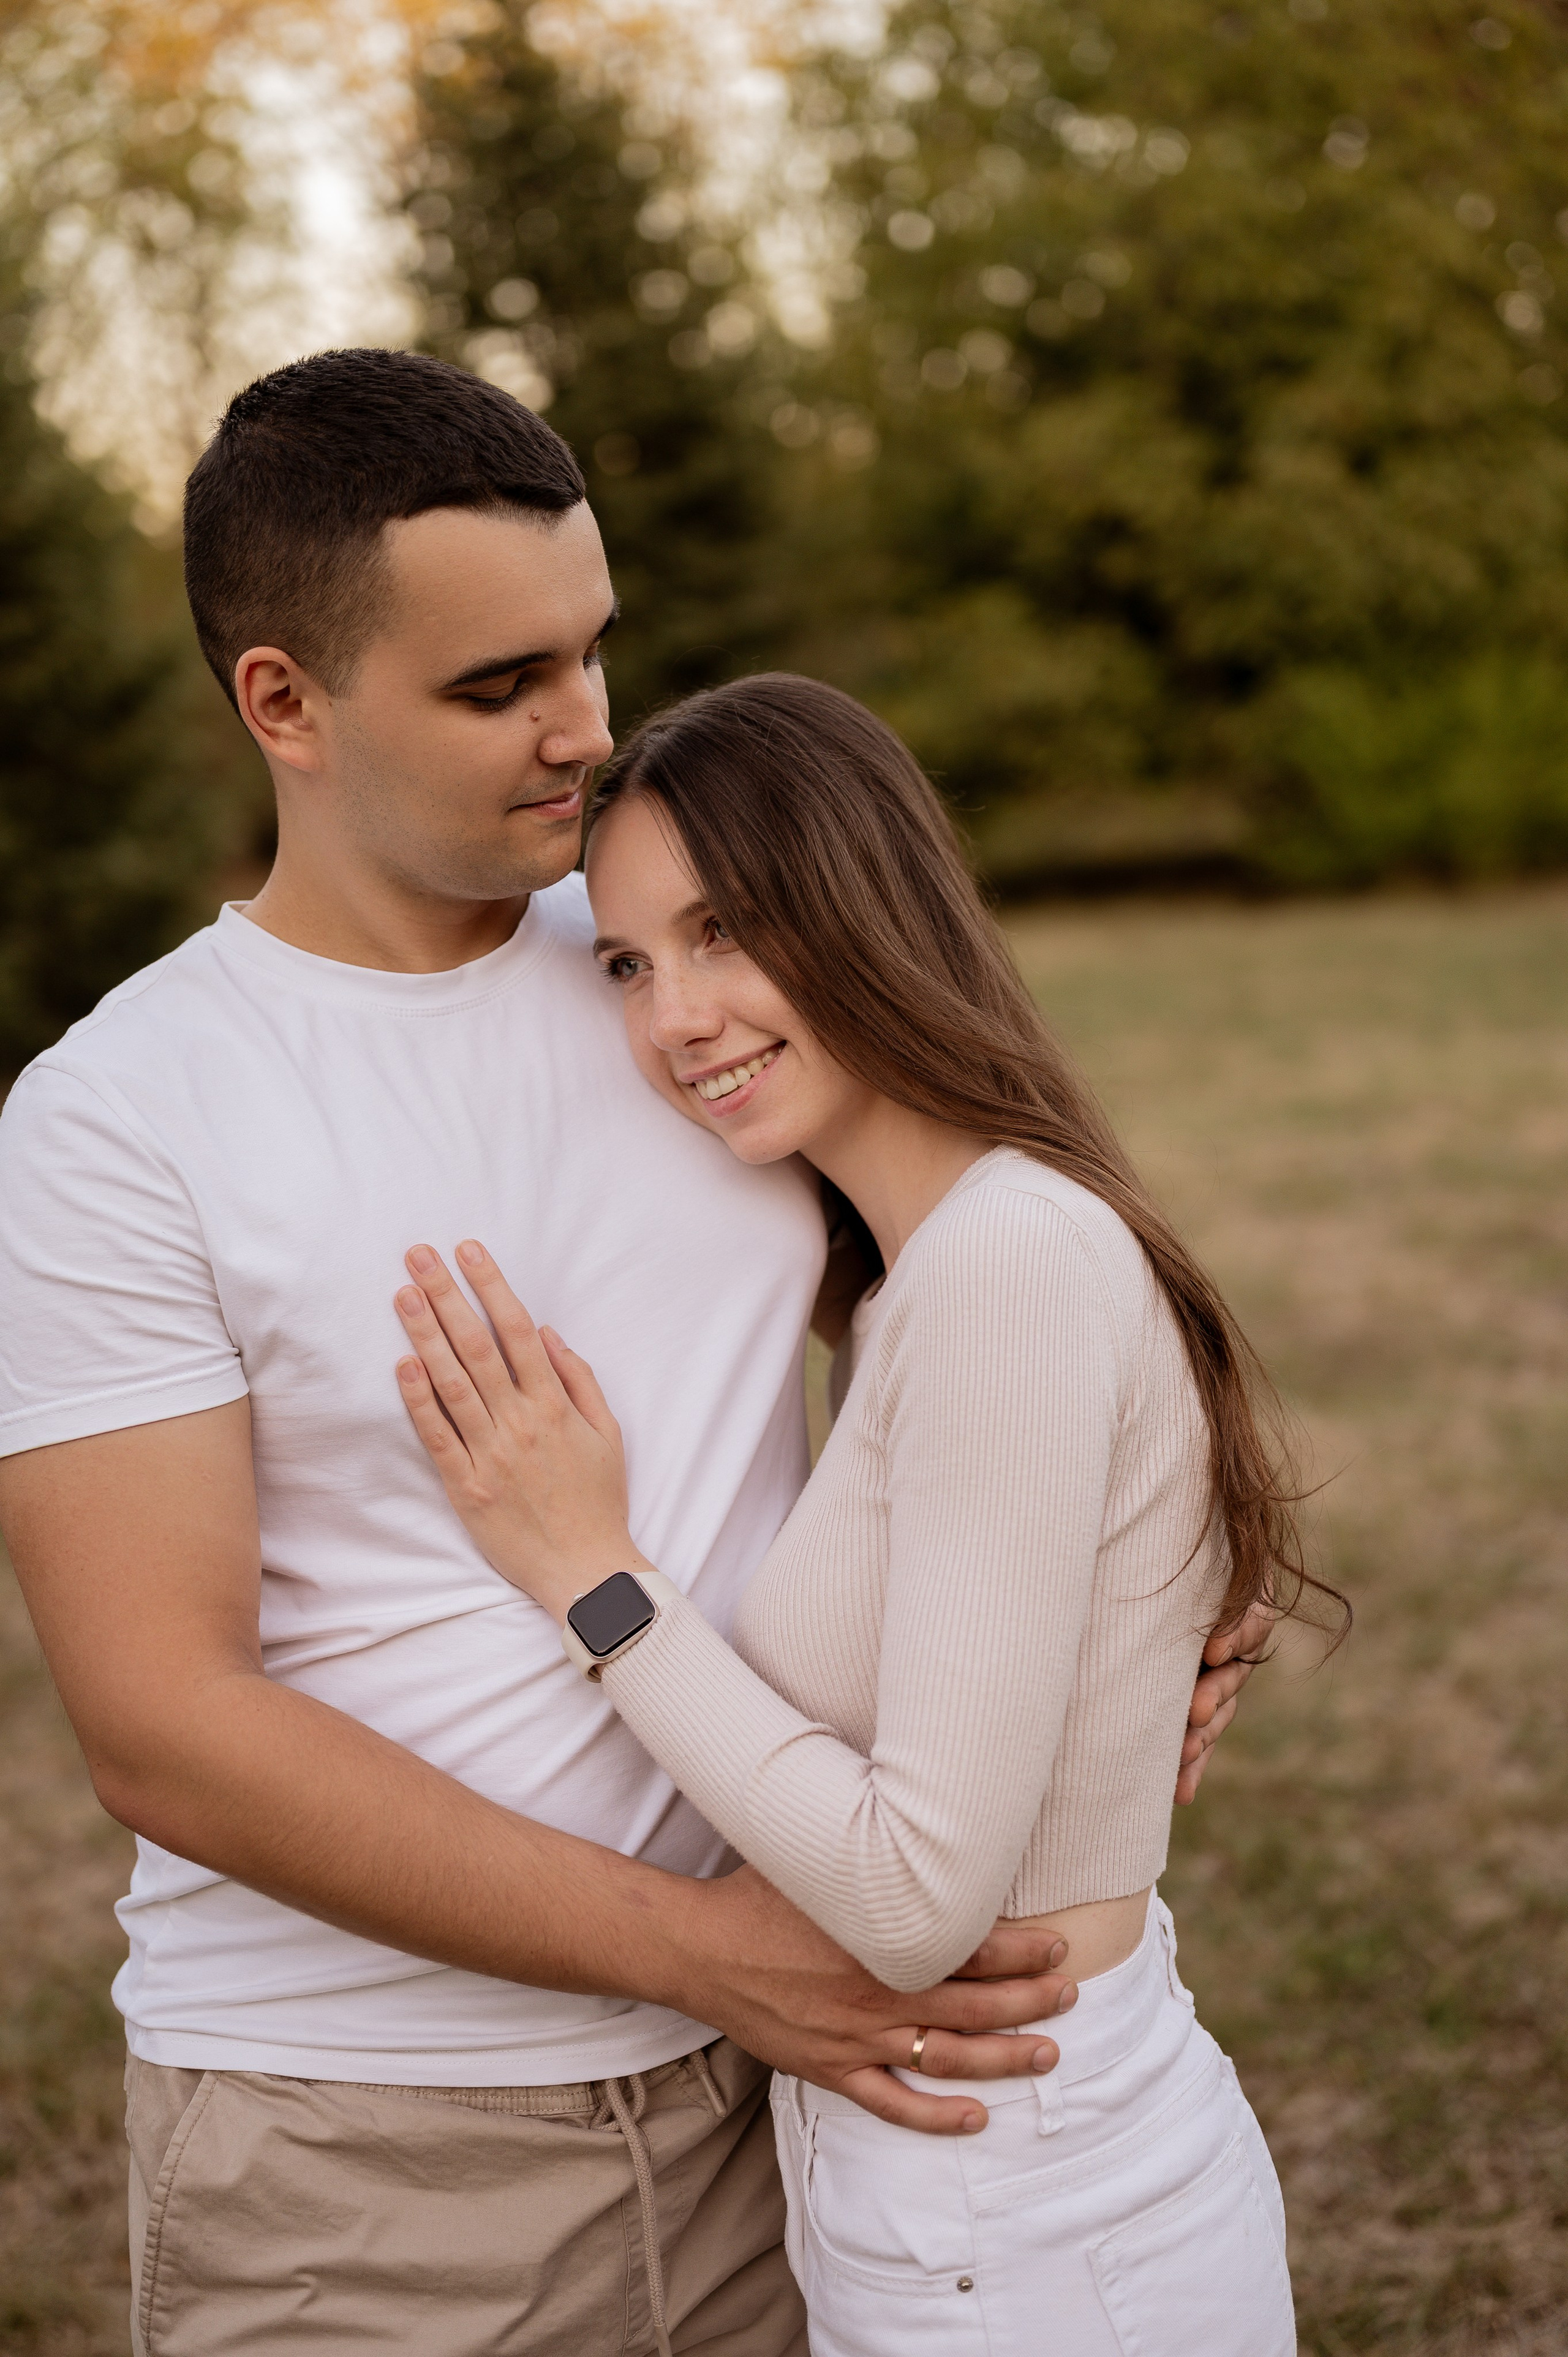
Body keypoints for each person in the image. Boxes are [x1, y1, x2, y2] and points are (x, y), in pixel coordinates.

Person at [0, 350, 1263, 2357]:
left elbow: (1015, 1291)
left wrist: (1141, 1611)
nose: (581, 728)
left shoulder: (669, 955)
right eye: (497, 685)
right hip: (369, 2148)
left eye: (591, 651)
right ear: (283, 702)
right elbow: (162, 1725)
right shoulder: (121, 1118)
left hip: (814, 2112)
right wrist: (711, 1958)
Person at [385, 673, 1343, 2355]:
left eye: (728, 930)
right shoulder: (919, 1280)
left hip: (1030, 2218)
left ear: (867, 906)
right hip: (966, 2193)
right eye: (627, 962)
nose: (675, 1016)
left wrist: (594, 1578)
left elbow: (917, 1905)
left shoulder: (1003, 1262)